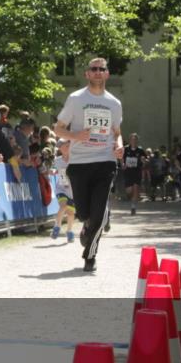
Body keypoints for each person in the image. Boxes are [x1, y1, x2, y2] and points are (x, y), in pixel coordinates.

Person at [53, 57, 124, 272]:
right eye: (93, 69)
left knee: (99, 216)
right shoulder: (75, 99)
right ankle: (87, 227)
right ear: (87, 74)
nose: (97, 72)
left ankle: (90, 256)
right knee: (84, 214)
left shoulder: (114, 103)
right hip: (80, 163)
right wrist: (76, 135)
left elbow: (117, 133)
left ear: (107, 74)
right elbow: (58, 129)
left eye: (101, 69)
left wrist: (119, 147)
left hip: (105, 162)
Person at [51, 139, 77, 243]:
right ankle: (57, 226)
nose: (67, 147)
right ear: (60, 149)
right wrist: (52, 171)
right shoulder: (57, 160)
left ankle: (69, 231)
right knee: (63, 205)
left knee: (71, 213)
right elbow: (53, 169)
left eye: (68, 145)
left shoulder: (75, 160)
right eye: (64, 146)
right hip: (61, 188)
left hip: (73, 191)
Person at [122, 132, 146, 215]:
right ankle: (130, 196)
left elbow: (145, 160)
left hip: (137, 172)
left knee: (135, 188)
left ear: (137, 141)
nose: (134, 141)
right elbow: (121, 158)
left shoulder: (140, 150)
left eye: (135, 139)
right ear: (130, 140)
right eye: (132, 139)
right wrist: (122, 164)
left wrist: (144, 161)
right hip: (128, 172)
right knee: (129, 190)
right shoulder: (125, 149)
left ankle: (133, 207)